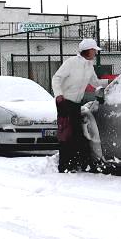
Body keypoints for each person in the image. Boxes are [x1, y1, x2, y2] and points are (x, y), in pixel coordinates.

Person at [52, 38, 103, 173]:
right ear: (88, 50)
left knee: (77, 133)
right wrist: (58, 95)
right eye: (94, 50)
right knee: (67, 134)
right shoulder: (71, 63)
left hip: (76, 104)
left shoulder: (89, 66)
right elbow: (56, 78)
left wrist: (111, 83)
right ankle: (64, 166)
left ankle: (76, 163)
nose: (95, 53)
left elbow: (95, 82)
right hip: (64, 102)